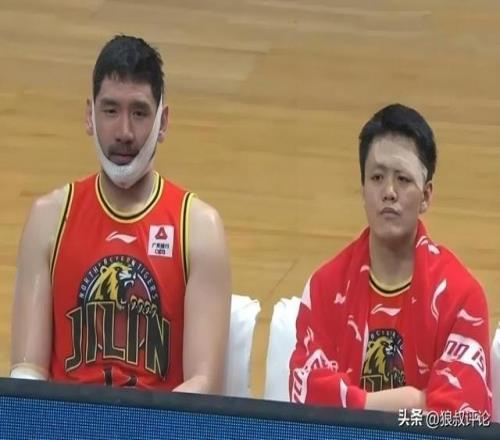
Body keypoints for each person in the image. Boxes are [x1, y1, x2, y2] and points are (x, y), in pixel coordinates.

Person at [10, 35, 231, 394]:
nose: (125, 132)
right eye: (111, 111)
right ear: (89, 115)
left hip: (159, 422)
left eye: (139, 113)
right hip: (68, 421)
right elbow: (26, 373)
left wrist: (143, 424)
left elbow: (203, 385)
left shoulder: (199, 228)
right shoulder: (48, 220)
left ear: (163, 122)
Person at [289, 104, 492, 414]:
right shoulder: (325, 288)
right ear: (363, 190)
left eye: (403, 179)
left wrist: (358, 408)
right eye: (377, 177)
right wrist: (408, 402)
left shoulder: (460, 298)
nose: (388, 192)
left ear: (426, 196)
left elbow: (460, 420)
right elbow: (306, 398)